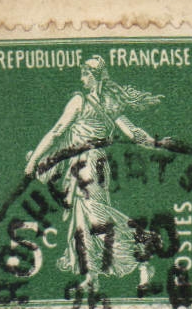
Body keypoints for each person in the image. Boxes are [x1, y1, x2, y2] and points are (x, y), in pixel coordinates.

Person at [23, 56, 163, 287]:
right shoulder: (107, 102)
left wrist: (33, 161)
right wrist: (147, 139)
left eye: (84, 74)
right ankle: (91, 275)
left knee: (98, 218)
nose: (81, 78)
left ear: (93, 75)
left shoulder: (83, 101)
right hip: (88, 165)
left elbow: (56, 133)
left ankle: (143, 256)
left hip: (89, 164)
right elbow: (132, 132)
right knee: (82, 220)